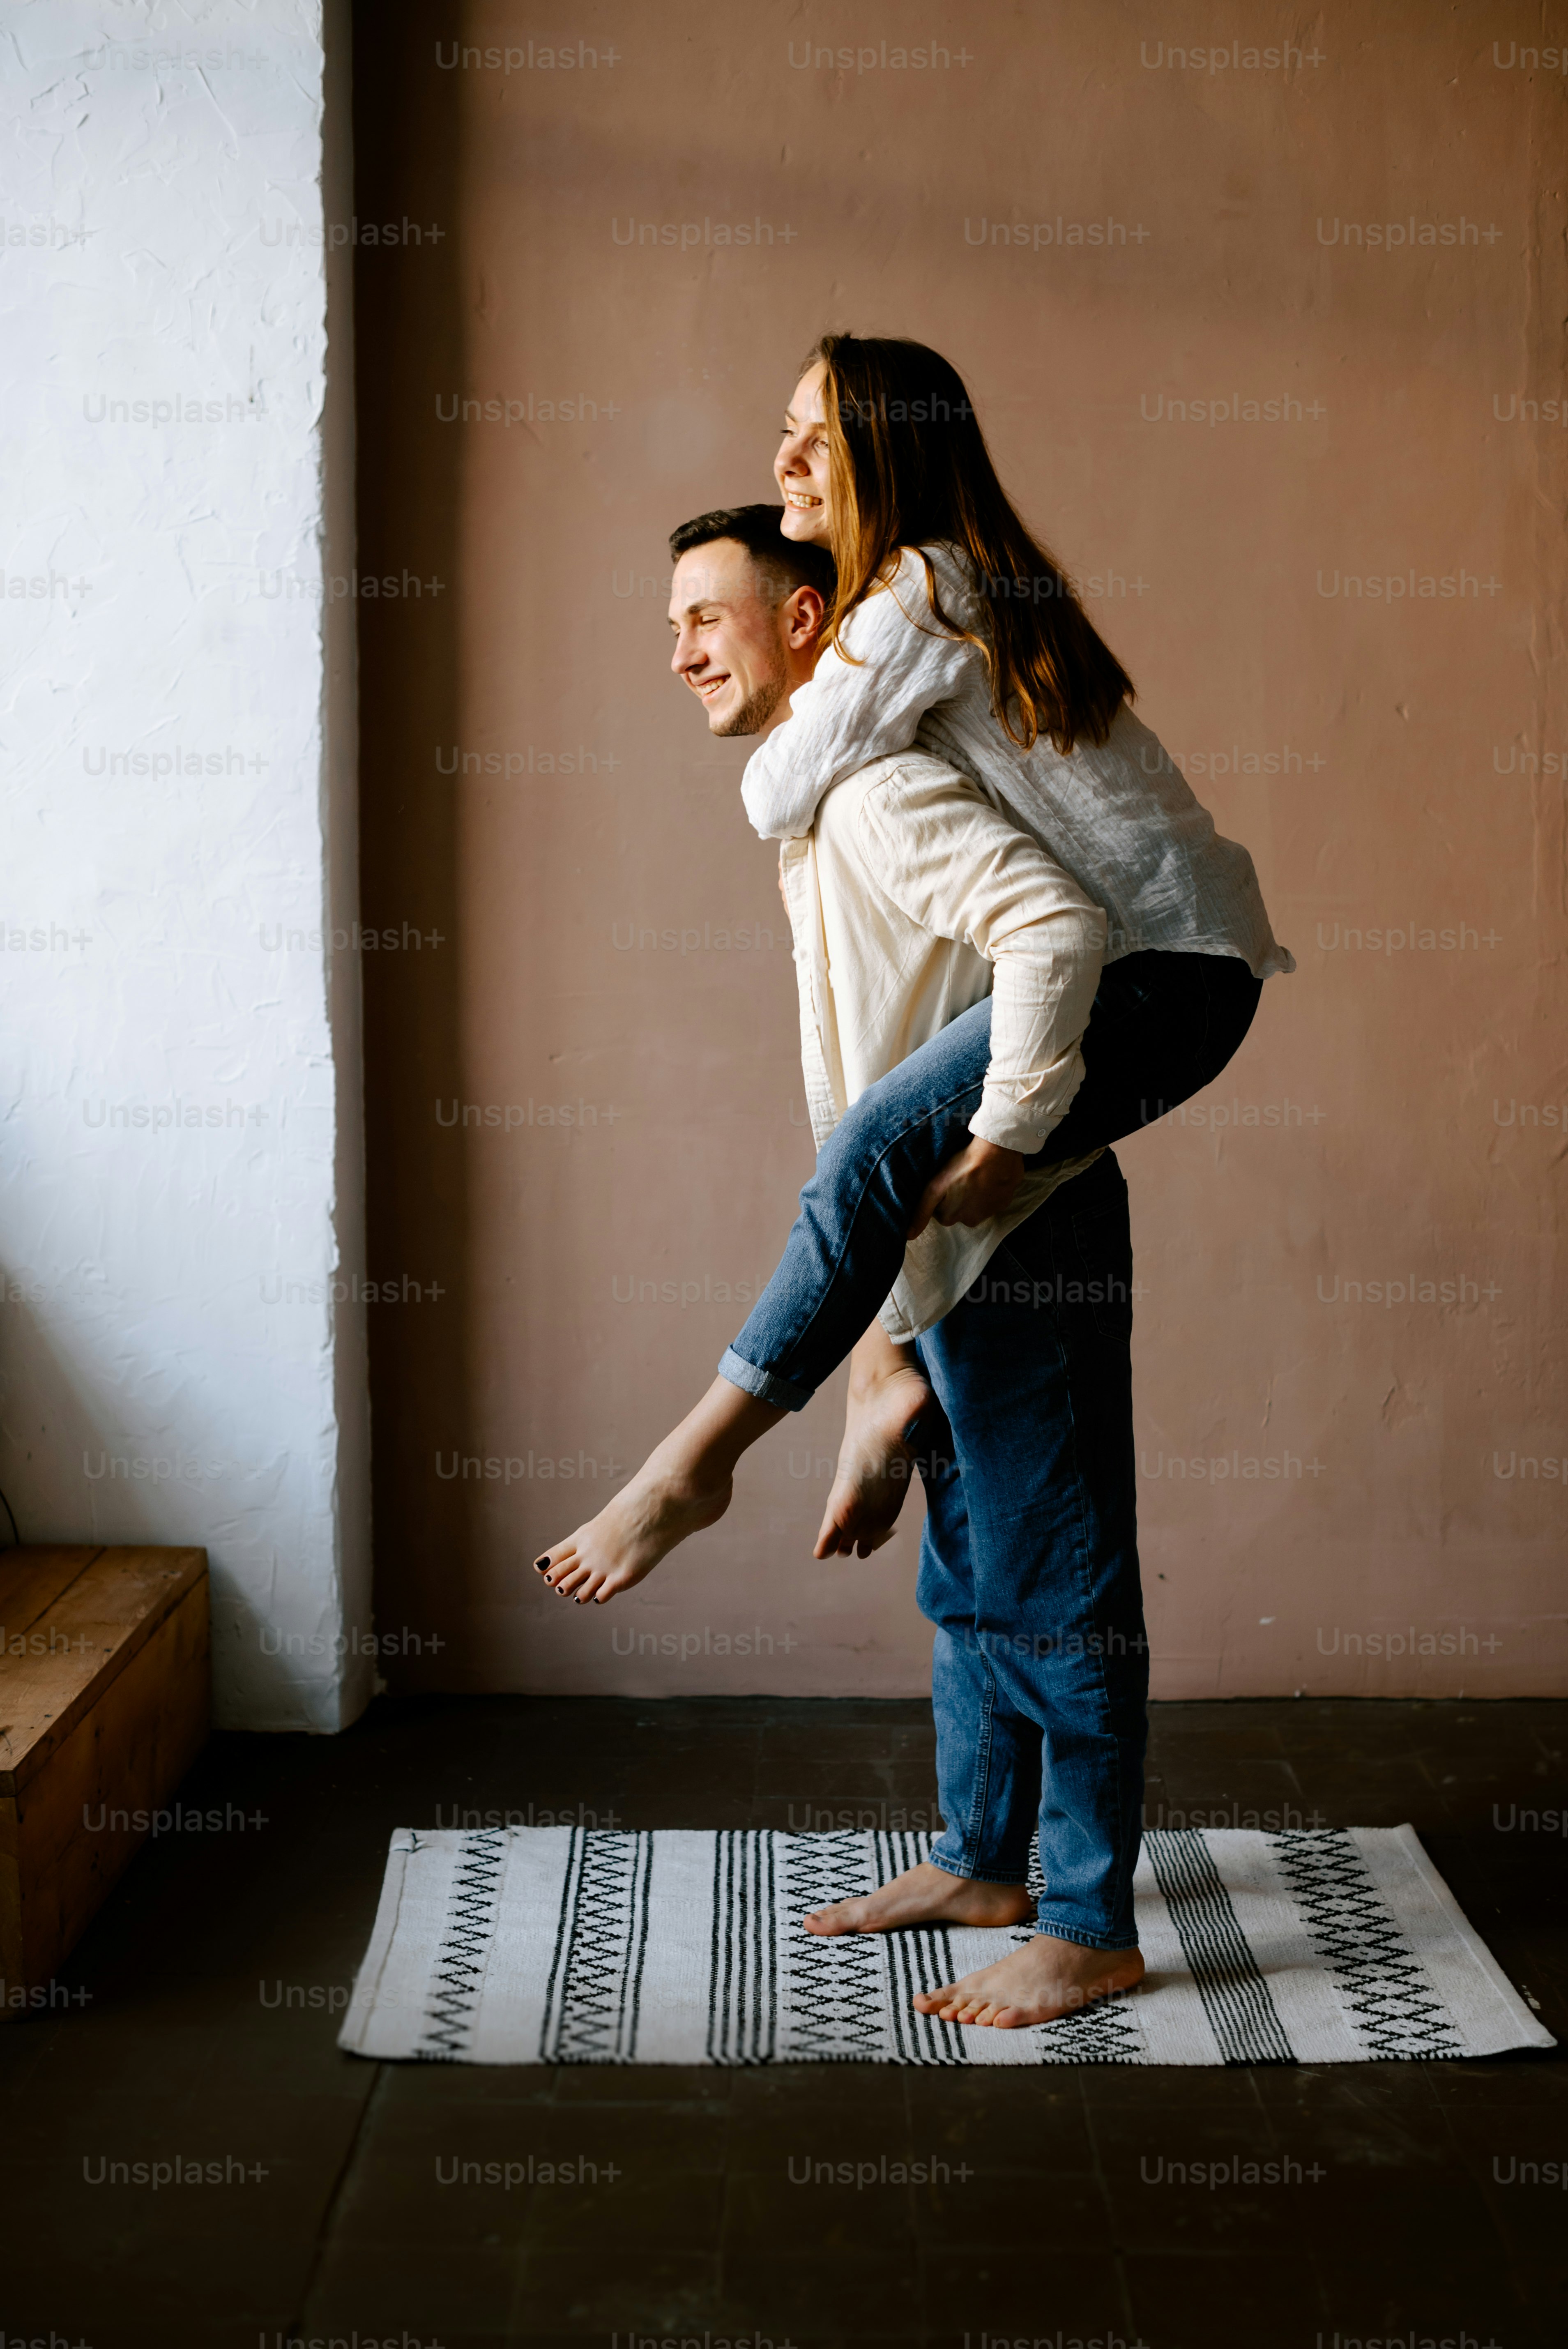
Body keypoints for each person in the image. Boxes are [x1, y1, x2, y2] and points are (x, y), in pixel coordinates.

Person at [537, 340, 1293, 2027]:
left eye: (709, 619)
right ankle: (983, 1848)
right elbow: (857, 1079)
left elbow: (1054, 927)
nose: (677, 656)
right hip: (1043, 1113)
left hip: (1155, 981)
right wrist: (892, 1312)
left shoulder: (890, 697)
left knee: (1050, 1549)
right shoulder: (886, 740)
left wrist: (1012, 1131)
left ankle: (706, 1458)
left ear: (812, 619)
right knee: (974, 1536)